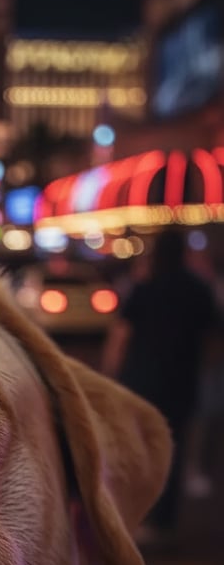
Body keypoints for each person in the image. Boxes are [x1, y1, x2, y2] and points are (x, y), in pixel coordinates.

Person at [102, 226, 216, 544]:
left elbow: (121, 336)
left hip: (140, 380)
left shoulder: (145, 287)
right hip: (181, 380)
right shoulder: (198, 289)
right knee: (173, 449)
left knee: (138, 448)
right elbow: (211, 339)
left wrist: (109, 374)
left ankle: (135, 514)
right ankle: (163, 520)